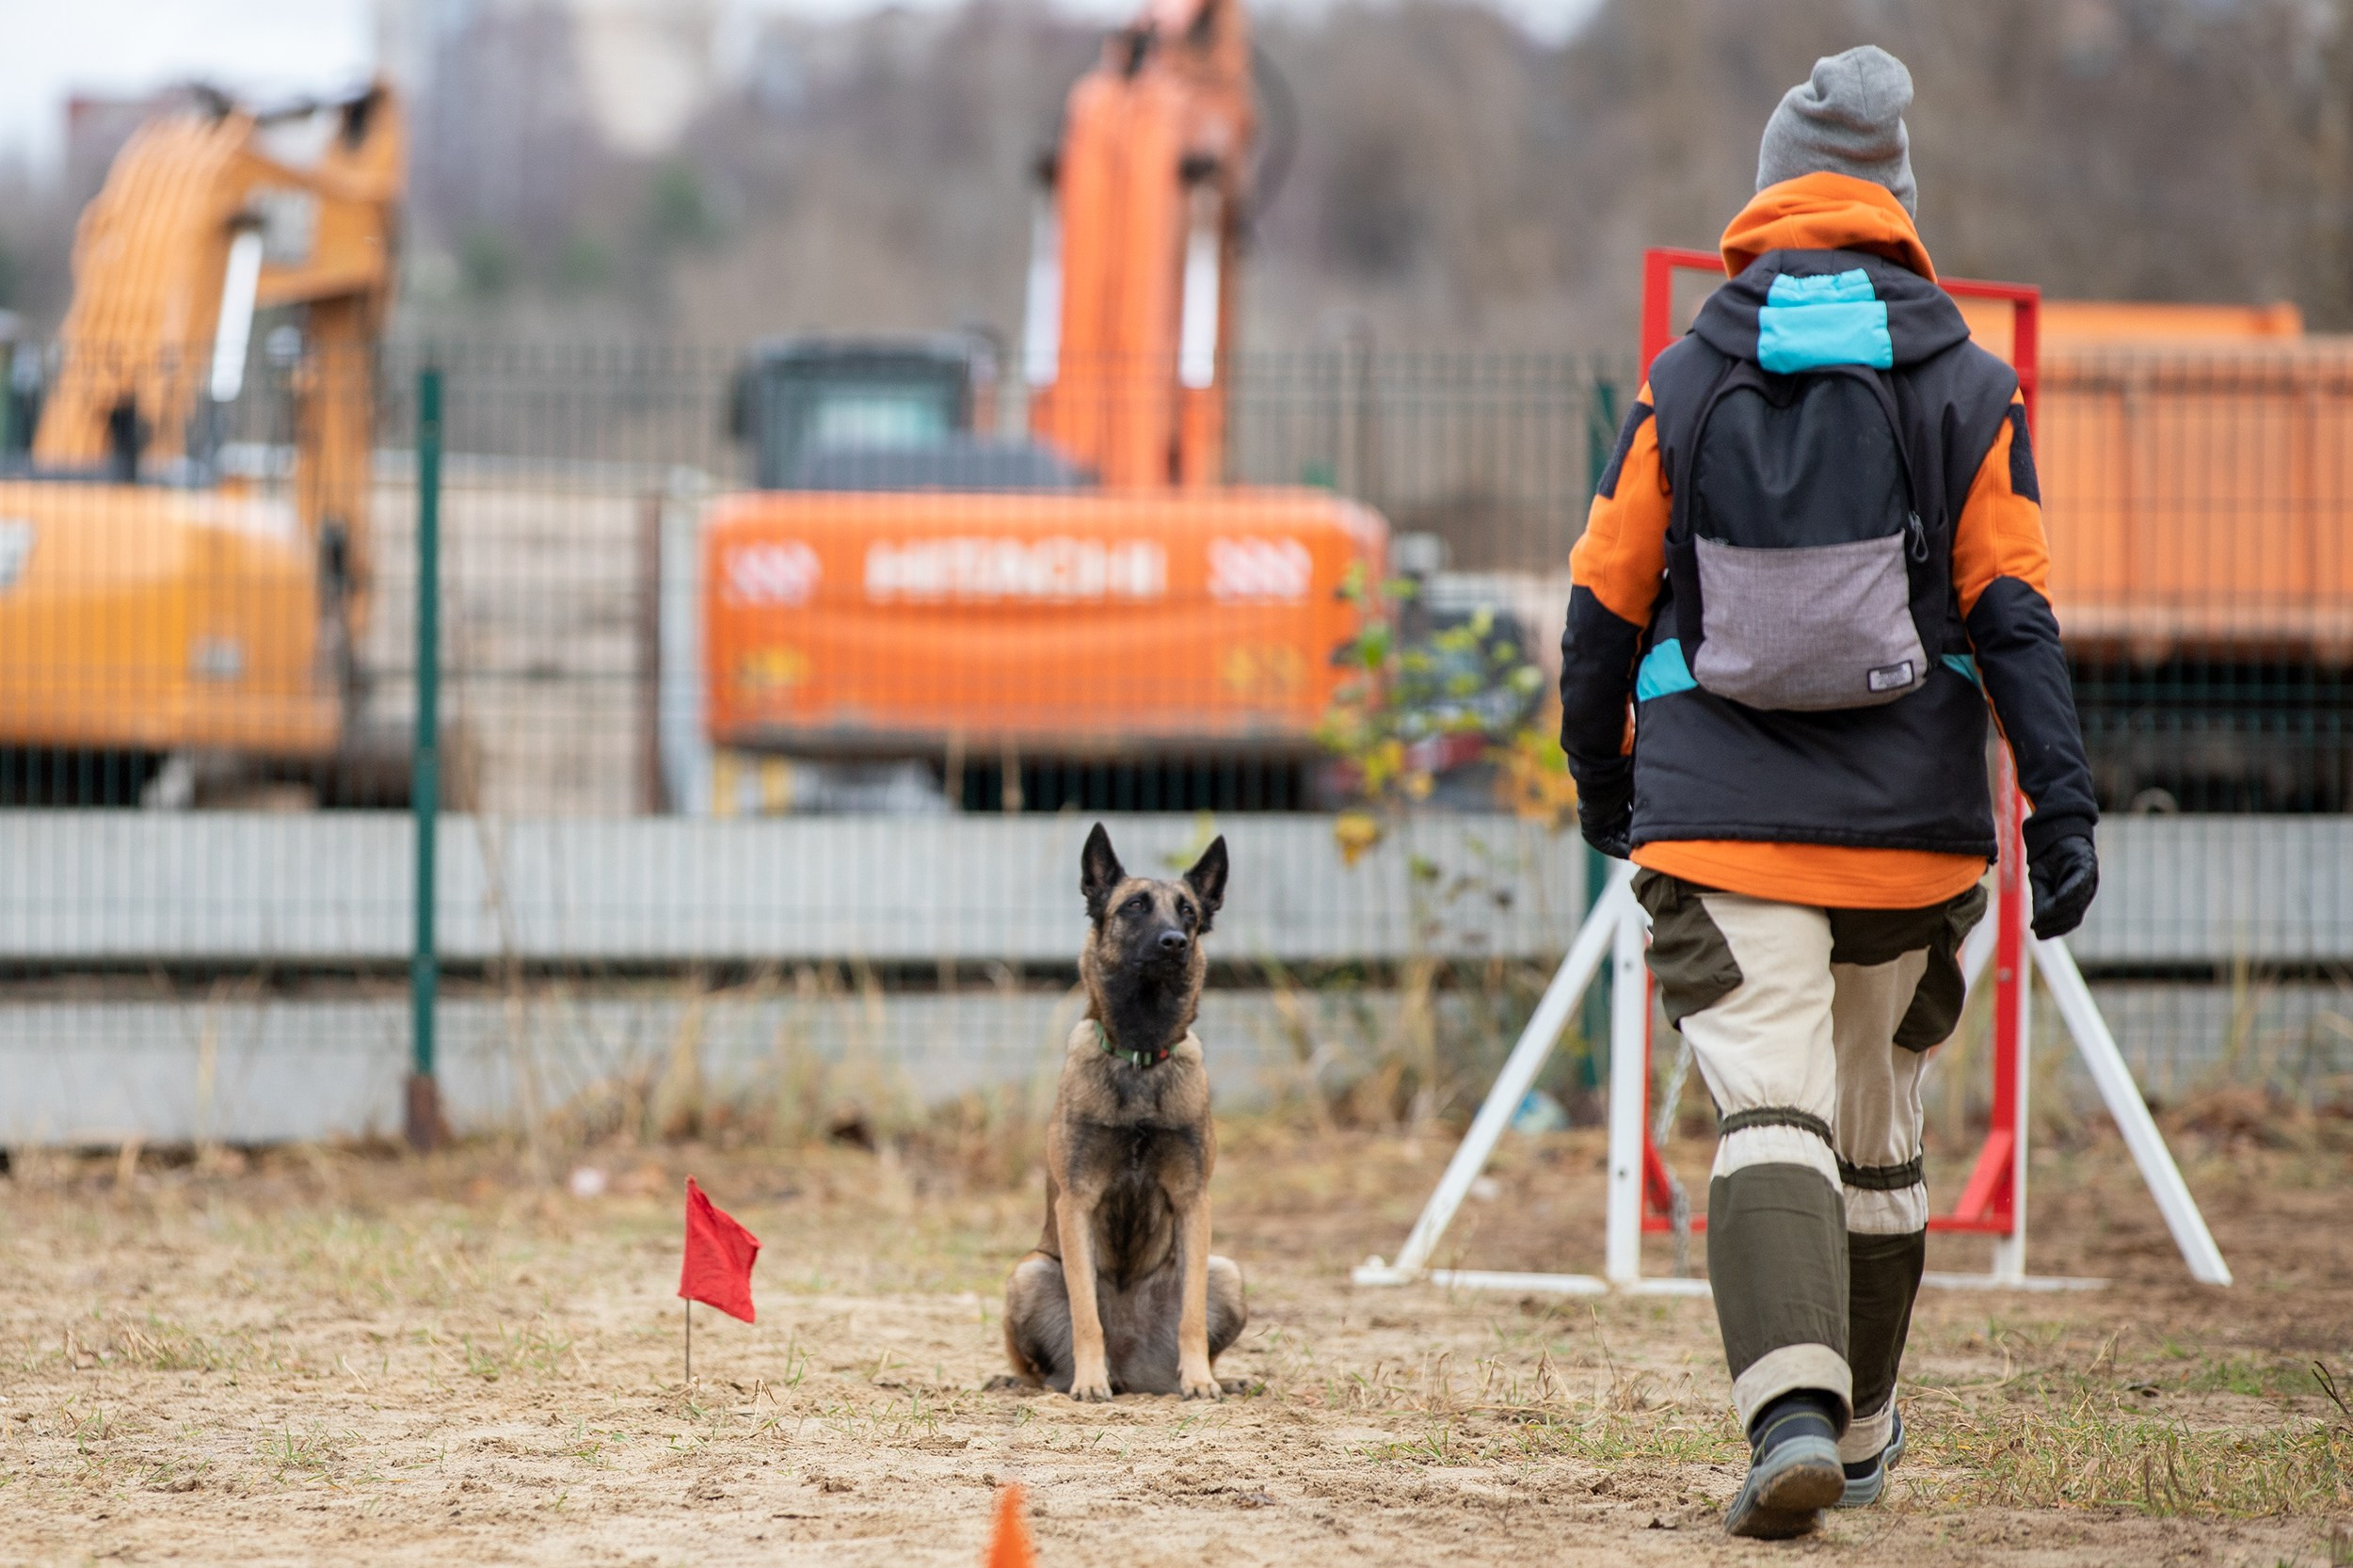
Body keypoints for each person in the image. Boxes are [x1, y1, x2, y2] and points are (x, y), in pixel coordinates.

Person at [1557, 45, 2100, 1541]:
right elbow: (2016, 616)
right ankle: (1857, 1429)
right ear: (1898, 207)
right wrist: (2061, 805)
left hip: (1719, 821)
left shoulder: (1684, 375)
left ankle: (1788, 1413)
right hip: (1913, 836)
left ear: (1765, 199)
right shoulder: (1970, 384)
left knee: (1767, 1107)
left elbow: (1602, 606)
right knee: (1877, 1125)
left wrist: (1603, 775)